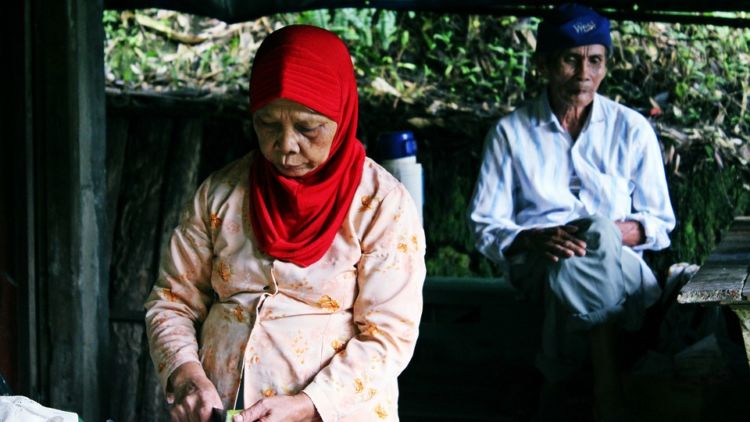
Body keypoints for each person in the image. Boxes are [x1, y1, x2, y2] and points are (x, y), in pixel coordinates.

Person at [145, 25, 426, 422]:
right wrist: (187, 374)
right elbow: (171, 300)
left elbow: (388, 336)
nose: (286, 144)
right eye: (268, 124)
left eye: (308, 127)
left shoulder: (381, 205)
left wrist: (310, 405)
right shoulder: (221, 194)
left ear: (342, 114)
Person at [467, 3, 675, 420]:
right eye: (570, 60)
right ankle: (608, 386)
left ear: (605, 66)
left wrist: (602, 235)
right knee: (566, 259)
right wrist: (533, 237)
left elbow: (659, 224)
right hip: (539, 263)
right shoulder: (510, 133)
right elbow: (484, 226)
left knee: (591, 237)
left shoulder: (632, 129)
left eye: (595, 61)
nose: (584, 74)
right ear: (544, 64)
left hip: (617, 262)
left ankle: (558, 383)